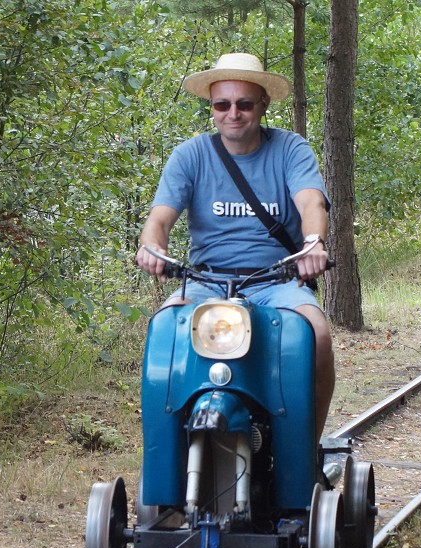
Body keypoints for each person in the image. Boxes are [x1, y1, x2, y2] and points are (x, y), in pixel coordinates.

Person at [133, 52, 335, 443]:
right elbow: (159, 219)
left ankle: (303, 449)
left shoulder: (291, 150)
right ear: (212, 108)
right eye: (222, 105)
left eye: (244, 104)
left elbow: (312, 202)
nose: (233, 113)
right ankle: (165, 457)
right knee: (162, 332)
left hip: (276, 281)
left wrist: (313, 243)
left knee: (318, 336)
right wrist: (151, 246)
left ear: (263, 104)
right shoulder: (191, 155)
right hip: (205, 282)